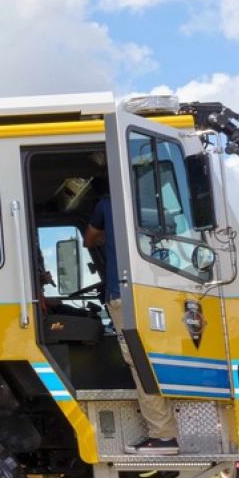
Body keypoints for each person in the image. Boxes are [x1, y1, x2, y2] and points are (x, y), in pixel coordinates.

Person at [85, 194, 179, 454]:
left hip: (123, 294)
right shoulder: (158, 207)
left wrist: (108, 240)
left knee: (138, 361)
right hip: (158, 292)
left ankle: (163, 436)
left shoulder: (106, 204)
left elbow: (88, 239)